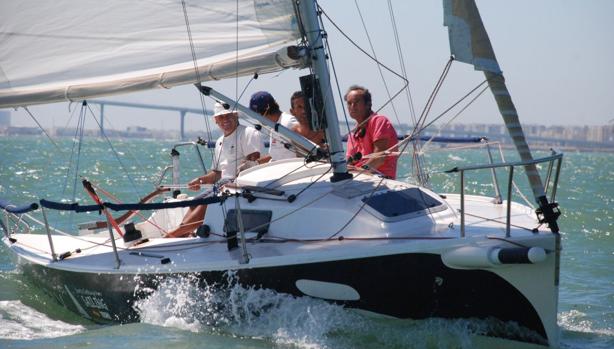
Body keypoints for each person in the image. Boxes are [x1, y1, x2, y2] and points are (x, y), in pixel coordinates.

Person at [165, 102, 262, 238]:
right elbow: (217, 173)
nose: (225, 120)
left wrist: (235, 178)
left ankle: (174, 234)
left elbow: (254, 161)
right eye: (221, 117)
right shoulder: (220, 141)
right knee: (195, 202)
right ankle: (182, 232)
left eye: (228, 116)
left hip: (239, 183)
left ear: (235, 116)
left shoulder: (248, 132)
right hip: (223, 182)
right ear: (216, 121)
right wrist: (200, 180)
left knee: (206, 203)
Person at [344, 85, 399, 179]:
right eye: (349, 103)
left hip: (381, 178)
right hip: (360, 178)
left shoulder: (379, 121)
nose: (352, 106)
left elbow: (379, 158)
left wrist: (361, 170)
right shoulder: (353, 133)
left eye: (356, 102)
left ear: (368, 104)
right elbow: (350, 162)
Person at [249, 91, 299, 162]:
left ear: (263, 112)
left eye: (255, 115)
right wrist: (256, 163)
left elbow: (305, 152)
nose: (256, 119)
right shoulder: (274, 126)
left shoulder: (288, 123)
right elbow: (275, 155)